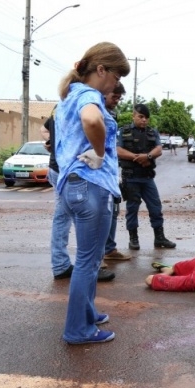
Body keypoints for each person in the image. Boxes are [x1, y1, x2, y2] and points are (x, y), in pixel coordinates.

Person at [53, 41, 130, 344]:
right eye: (116, 76)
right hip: (92, 185)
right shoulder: (88, 95)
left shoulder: (70, 95)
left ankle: (87, 314)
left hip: (74, 185)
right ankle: (78, 330)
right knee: (88, 261)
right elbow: (91, 120)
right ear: (101, 70)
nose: (116, 83)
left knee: (89, 258)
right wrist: (99, 151)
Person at [41, 110, 116, 283]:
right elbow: (90, 125)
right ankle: (88, 267)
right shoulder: (84, 105)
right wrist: (100, 153)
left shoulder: (60, 107)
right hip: (70, 171)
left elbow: (43, 129)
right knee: (82, 217)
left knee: (63, 217)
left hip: (59, 168)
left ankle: (63, 264)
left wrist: (51, 142)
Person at [117, 103, 176, 250]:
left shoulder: (152, 132)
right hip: (130, 178)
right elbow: (118, 150)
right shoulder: (123, 131)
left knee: (155, 207)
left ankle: (159, 238)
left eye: (146, 118)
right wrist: (137, 157)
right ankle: (133, 239)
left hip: (147, 178)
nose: (144, 120)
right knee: (132, 209)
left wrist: (147, 156)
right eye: (141, 117)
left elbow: (158, 149)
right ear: (134, 115)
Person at [102, 83, 131, 263]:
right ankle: (96, 259)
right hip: (99, 173)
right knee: (99, 216)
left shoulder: (112, 114)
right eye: (115, 97)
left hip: (112, 172)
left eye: (119, 98)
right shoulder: (93, 110)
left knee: (113, 212)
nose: (117, 101)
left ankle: (109, 249)